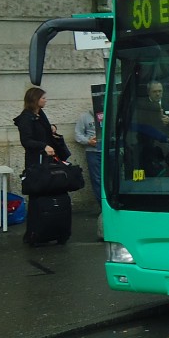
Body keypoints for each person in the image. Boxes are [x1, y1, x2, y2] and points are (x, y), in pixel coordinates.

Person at [13, 87, 69, 167]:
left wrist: (52, 127)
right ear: (35, 99)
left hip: (48, 156)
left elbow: (42, 127)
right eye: (43, 98)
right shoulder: (25, 118)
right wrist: (44, 146)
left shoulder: (40, 114)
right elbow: (26, 140)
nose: (45, 100)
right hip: (36, 159)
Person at [75, 102, 102, 238]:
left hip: (107, 151)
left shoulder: (107, 114)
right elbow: (77, 135)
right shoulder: (85, 117)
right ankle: (102, 206)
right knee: (96, 179)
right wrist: (88, 141)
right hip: (93, 151)